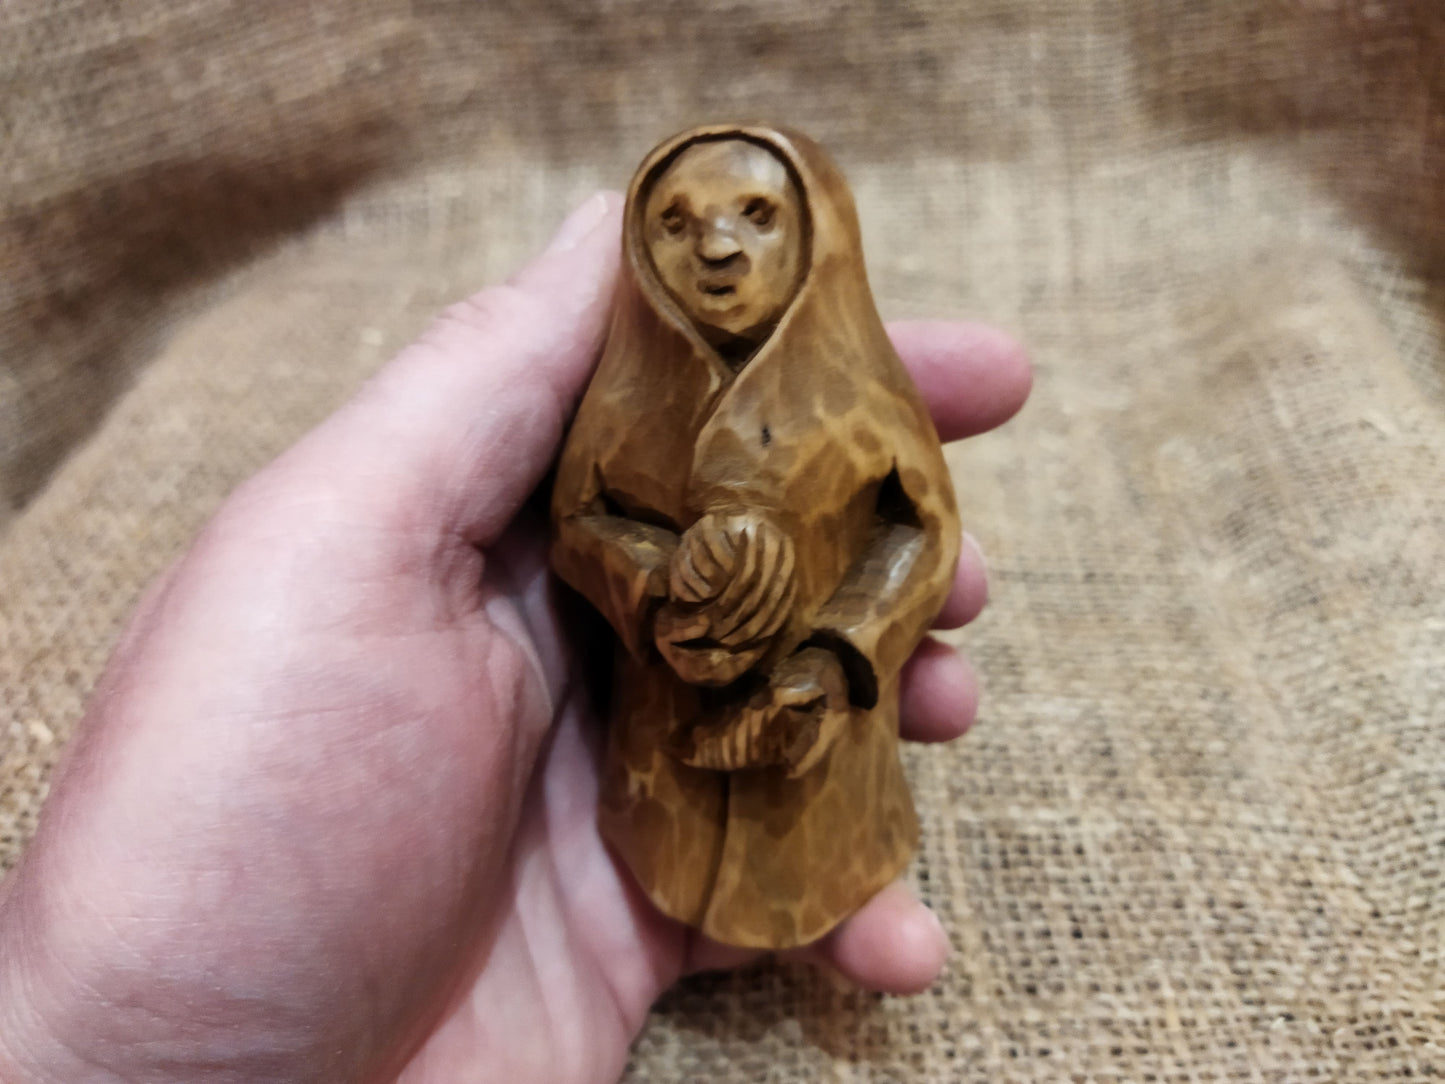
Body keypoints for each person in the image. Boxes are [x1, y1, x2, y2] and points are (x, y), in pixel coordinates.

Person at [0, 192, 1031, 1083]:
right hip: (653, 771)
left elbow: (918, 526)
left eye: (755, 217)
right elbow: (580, 518)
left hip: (821, 765)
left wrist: (834, 647)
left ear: (820, 234)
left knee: (848, 790)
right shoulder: (631, 393)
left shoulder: (859, 390)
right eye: (675, 225)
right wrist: (659, 577)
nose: (715, 246)